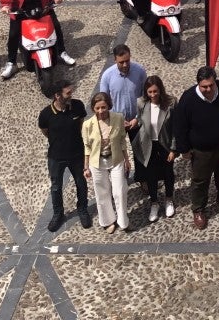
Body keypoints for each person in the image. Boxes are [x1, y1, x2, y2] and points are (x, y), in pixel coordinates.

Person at [175, 65, 219, 229]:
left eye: (211, 85)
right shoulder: (188, 99)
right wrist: (183, 149)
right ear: (198, 84)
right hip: (202, 151)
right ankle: (198, 209)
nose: (208, 89)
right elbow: (180, 126)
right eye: (204, 86)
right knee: (200, 181)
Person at [39, 79, 91, 231]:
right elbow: (45, 131)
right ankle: (58, 214)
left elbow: (81, 124)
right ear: (57, 95)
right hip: (56, 157)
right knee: (56, 187)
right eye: (68, 93)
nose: (71, 95)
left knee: (81, 183)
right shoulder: (46, 114)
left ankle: (82, 209)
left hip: (77, 155)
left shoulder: (78, 106)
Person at [81, 92, 131, 233]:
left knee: (119, 190)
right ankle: (108, 220)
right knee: (101, 192)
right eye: (97, 108)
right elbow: (87, 147)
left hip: (116, 159)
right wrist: (86, 167)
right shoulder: (87, 125)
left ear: (108, 106)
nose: (101, 111)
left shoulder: (118, 118)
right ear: (93, 109)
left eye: (103, 107)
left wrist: (127, 160)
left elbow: (122, 140)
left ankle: (123, 220)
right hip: (97, 161)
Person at [134, 75, 178, 222]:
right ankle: (154, 202)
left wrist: (173, 149)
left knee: (168, 172)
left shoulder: (171, 103)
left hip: (164, 144)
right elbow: (141, 119)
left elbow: (175, 128)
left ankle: (169, 199)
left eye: (155, 91)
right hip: (148, 144)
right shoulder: (141, 103)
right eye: (150, 92)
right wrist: (135, 121)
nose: (153, 95)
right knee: (150, 174)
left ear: (160, 90)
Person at [98, 44, 149, 140]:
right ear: (115, 60)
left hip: (136, 121)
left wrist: (137, 118)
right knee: (117, 153)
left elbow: (145, 96)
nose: (125, 65)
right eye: (121, 62)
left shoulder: (140, 71)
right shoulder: (107, 76)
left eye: (127, 61)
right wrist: (117, 120)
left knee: (140, 153)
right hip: (116, 123)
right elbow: (103, 102)